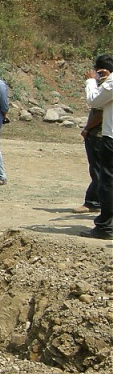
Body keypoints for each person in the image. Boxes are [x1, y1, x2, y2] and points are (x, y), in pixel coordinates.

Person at [80, 53, 113, 240]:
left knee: (107, 181)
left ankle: (106, 226)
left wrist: (92, 81)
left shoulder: (110, 83)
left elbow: (93, 100)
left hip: (110, 137)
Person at [74, 108, 104, 213]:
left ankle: (93, 202)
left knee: (98, 171)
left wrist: (86, 129)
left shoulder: (106, 93)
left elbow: (100, 114)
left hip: (99, 136)